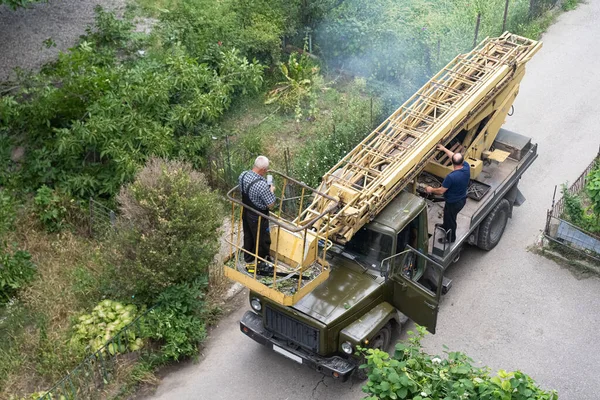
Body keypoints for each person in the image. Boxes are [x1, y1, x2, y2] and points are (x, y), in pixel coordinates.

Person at [426, 144, 470, 243]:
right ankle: (445, 226)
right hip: (460, 199)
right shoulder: (466, 167)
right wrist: (444, 149)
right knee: (447, 214)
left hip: (454, 202)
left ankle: (451, 238)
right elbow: (453, 156)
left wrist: (431, 189)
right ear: (462, 161)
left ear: (452, 162)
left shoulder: (451, 177)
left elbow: (441, 191)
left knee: (451, 220)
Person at [239, 156, 276, 272]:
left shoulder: (243, 175)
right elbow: (270, 204)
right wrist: (271, 191)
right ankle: (262, 262)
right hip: (258, 216)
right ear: (263, 170)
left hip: (246, 211)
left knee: (248, 234)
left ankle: (248, 258)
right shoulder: (262, 185)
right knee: (262, 239)